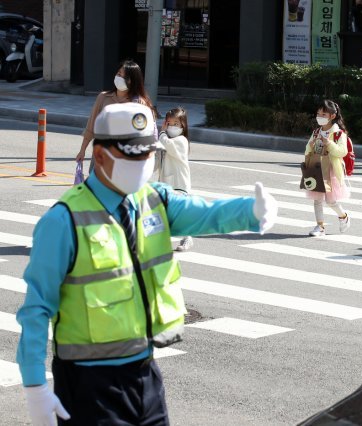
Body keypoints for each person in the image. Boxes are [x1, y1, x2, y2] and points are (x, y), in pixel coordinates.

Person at [16, 102, 277, 426]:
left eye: (147, 154)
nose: (143, 163)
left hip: (145, 374)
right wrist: (34, 385)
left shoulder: (154, 199)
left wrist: (250, 211)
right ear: (100, 156)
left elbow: (205, 213)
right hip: (88, 383)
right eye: (132, 155)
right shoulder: (63, 220)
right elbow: (37, 308)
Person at [75, 60, 154, 166]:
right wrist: (82, 150)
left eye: (125, 76)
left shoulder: (139, 103)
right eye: (119, 74)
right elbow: (91, 125)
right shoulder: (103, 97)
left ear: (133, 80)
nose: (120, 78)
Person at [304, 99, 351, 237]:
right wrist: (311, 145)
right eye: (318, 114)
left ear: (332, 116)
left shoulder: (338, 134)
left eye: (323, 114)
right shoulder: (316, 131)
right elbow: (307, 150)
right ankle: (320, 226)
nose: (320, 117)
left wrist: (329, 143)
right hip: (316, 167)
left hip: (331, 170)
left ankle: (343, 217)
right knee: (317, 199)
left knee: (330, 201)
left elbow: (342, 152)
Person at [157, 106, 194, 251]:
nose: (172, 127)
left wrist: (161, 132)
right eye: (170, 123)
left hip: (179, 184)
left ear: (183, 126)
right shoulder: (165, 141)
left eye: (176, 124)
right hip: (166, 183)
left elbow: (168, 144)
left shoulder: (181, 141)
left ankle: (187, 237)